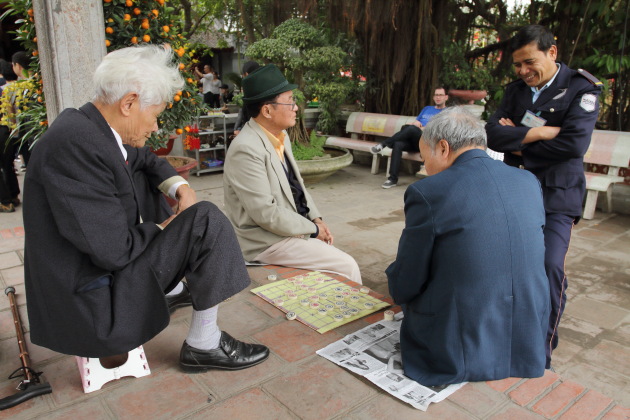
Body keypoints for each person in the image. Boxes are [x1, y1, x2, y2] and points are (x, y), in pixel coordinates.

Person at [22, 45, 269, 373]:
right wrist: (166, 228)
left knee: (151, 180)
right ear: (128, 103)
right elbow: (112, 251)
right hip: (94, 307)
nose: (154, 127)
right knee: (206, 221)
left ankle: (176, 288)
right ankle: (204, 344)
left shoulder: (90, 128)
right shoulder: (75, 146)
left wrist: (181, 187)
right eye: (154, 116)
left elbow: (144, 159)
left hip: (100, 275)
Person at [387, 107, 550, 386]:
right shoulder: (527, 181)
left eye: (425, 159)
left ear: (443, 147)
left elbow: (408, 278)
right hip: (525, 337)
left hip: (458, 346)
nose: (426, 168)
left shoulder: (429, 191)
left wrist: (396, 287)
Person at [485, 25, 602, 369]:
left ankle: (541, 345)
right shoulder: (517, 90)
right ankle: (507, 328)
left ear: (552, 52)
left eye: (529, 62)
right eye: (517, 65)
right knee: (511, 263)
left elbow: (574, 145)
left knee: (549, 264)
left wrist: (518, 141)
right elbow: (493, 135)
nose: (523, 72)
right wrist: (538, 131)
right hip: (516, 190)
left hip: (557, 196)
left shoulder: (582, 88)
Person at [223, 64, 362, 284]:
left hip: (289, 229)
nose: (295, 107)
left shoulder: (280, 136)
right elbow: (265, 213)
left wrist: (316, 219)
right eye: (290, 101)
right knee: (346, 266)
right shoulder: (245, 148)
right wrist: (313, 230)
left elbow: (298, 186)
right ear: (267, 110)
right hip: (265, 240)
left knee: (334, 262)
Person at [371, 87, 448, 188]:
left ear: (446, 97)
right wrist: (415, 123)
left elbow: (441, 130)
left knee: (411, 129)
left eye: (441, 95)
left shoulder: (447, 112)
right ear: (433, 97)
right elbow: (416, 122)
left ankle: (383, 144)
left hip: (428, 142)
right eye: (436, 95)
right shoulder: (427, 109)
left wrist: (422, 127)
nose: (438, 97)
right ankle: (392, 179)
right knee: (398, 144)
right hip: (415, 139)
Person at [0, 59, 19, 212]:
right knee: (8, 165)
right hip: (5, 130)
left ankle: (5, 202)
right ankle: (13, 196)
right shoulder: (3, 90)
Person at [233, 60, 260, 136]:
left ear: (246, 74)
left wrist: (238, 129)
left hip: (252, 133)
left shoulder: (250, 93)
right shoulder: (265, 89)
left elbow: (245, 114)